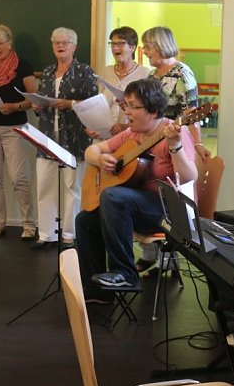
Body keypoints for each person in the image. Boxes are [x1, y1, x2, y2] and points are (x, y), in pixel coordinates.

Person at [75, 77, 197, 303]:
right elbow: (91, 152)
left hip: (168, 211)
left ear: (153, 111)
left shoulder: (172, 132)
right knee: (85, 220)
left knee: (114, 196)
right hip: (134, 209)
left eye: (134, 107)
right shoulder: (132, 133)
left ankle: (126, 274)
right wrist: (102, 159)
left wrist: (175, 146)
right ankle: (98, 292)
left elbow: (190, 177)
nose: (127, 112)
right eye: (126, 105)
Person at [137, 26, 211, 271]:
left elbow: (191, 114)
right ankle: (149, 252)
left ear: (160, 45)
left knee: (167, 193)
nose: (145, 51)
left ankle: (168, 257)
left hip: (172, 142)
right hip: (149, 143)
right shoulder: (152, 75)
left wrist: (198, 144)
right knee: (143, 187)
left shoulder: (182, 73)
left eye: (148, 46)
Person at [32, 27, 98, 250]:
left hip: (75, 139)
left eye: (65, 42)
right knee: (44, 185)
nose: (60, 45)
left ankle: (69, 235)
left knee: (72, 187)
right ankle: (46, 233)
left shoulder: (84, 71)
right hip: (48, 137)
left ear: (74, 46)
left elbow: (93, 105)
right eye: (56, 42)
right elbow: (41, 105)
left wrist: (69, 104)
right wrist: (37, 106)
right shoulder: (48, 71)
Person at [0, 25, 38, 240]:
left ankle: (28, 225)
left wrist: (14, 107)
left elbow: (33, 101)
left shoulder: (23, 66)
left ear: (9, 43)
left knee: (19, 178)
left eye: (0, 43)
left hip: (14, 127)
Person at [99, 26, 150, 137]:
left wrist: (125, 127)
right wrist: (94, 127)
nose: (115, 48)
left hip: (130, 137)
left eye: (121, 43)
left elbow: (147, 113)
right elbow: (99, 105)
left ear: (132, 47)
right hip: (103, 135)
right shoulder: (106, 71)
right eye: (112, 44)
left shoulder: (145, 74)